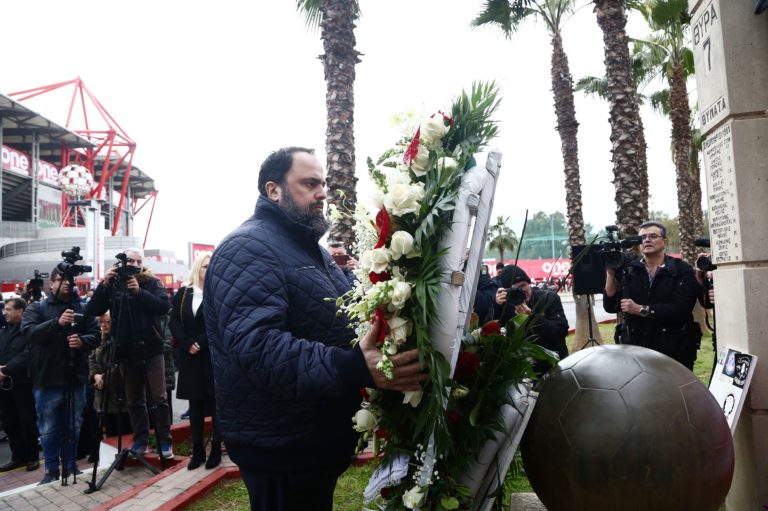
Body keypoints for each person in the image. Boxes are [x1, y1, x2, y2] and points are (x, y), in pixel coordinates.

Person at [204, 147, 427, 511]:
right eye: (309, 184)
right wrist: (352, 367)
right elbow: (256, 346)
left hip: (310, 439)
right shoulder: (247, 247)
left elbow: (335, 320)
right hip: (280, 446)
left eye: (322, 184)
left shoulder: (311, 250)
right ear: (273, 190)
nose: (322, 192)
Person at [86, 249, 174, 459]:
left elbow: (164, 307)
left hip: (151, 348)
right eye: (130, 261)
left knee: (158, 398)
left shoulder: (152, 282)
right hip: (125, 351)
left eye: (138, 261)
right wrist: (105, 285)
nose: (134, 264)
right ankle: (140, 441)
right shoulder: (114, 284)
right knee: (133, 400)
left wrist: (139, 292)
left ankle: (164, 441)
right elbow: (93, 309)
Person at [21, 269, 99, 484]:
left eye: (69, 280)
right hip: (46, 379)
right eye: (60, 279)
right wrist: (57, 323)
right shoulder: (37, 307)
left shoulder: (83, 308)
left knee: (73, 427)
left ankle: (71, 467)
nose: (66, 283)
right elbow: (29, 333)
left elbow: (96, 335)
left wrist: (82, 341)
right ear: (52, 283)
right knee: (48, 429)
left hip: (75, 378)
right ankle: (51, 470)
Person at [602, 221, 702, 369]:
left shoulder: (681, 269)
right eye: (643, 237)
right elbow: (611, 306)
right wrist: (610, 274)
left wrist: (640, 309)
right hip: (637, 352)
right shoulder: (630, 269)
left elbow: (681, 309)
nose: (647, 240)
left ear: (665, 242)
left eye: (653, 236)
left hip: (675, 351)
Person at [170, 253, 221, 470]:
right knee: (195, 405)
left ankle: (216, 448)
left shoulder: (217, 292)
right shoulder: (184, 293)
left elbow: (218, 323)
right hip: (190, 356)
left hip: (211, 355)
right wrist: (186, 342)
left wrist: (199, 342)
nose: (208, 270)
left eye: (212, 266)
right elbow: (174, 321)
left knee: (215, 403)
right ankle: (198, 450)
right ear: (197, 268)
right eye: (205, 266)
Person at [495, 265, 569, 375]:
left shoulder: (548, 298)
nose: (521, 291)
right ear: (507, 292)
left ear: (529, 283)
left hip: (553, 366)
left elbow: (561, 331)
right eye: (515, 289)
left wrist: (532, 317)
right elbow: (498, 339)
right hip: (522, 371)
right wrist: (498, 307)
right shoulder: (506, 307)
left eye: (523, 285)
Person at [0, 298, 39, 472]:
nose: (5, 313)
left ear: (20, 311)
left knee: (26, 421)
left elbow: (27, 355)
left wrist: (5, 369)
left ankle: (32, 456)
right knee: (9, 422)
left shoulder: (28, 331)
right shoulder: (3, 332)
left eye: (9, 309)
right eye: (5, 309)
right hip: (4, 384)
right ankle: (18, 457)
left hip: (23, 383)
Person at [89, 313, 133, 437]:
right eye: (101, 322)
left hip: (120, 394)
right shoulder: (99, 338)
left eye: (107, 322)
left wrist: (103, 378)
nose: (104, 325)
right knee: (109, 434)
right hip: (103, 394)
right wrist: (95, 375)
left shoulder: (121, 338)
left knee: (123, 432)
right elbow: (91, 357)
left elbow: (120, 363)